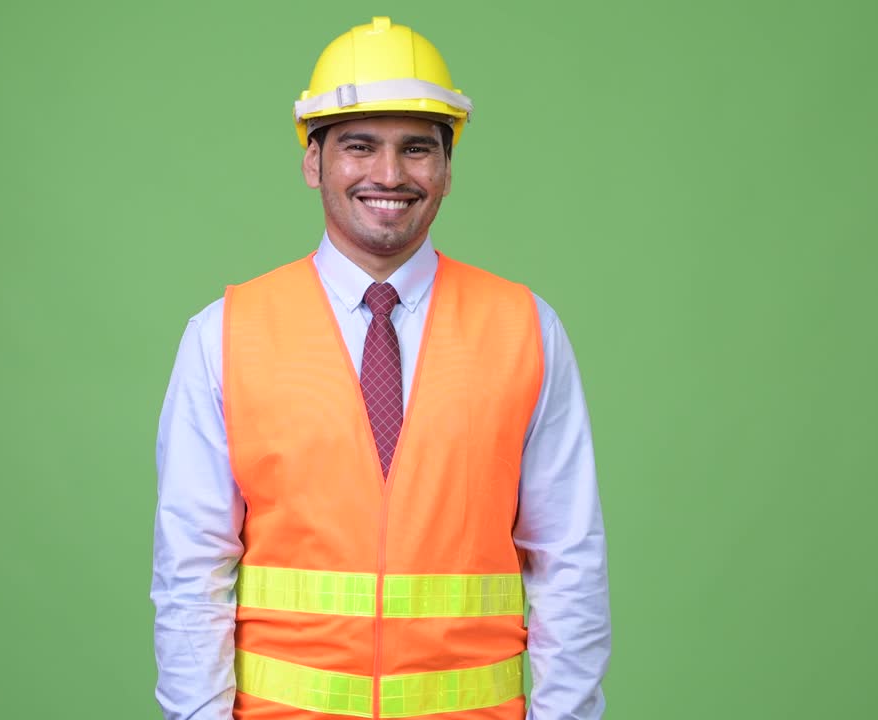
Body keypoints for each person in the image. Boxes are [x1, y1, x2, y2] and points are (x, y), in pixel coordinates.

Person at [151, 17, 610, 720]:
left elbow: (570, 566)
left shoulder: (526, 328)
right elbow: (190, 573)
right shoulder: (223, 335)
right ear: (314, 162)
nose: (389, 175)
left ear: (448, 169)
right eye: (360, 146)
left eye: (417, 148)